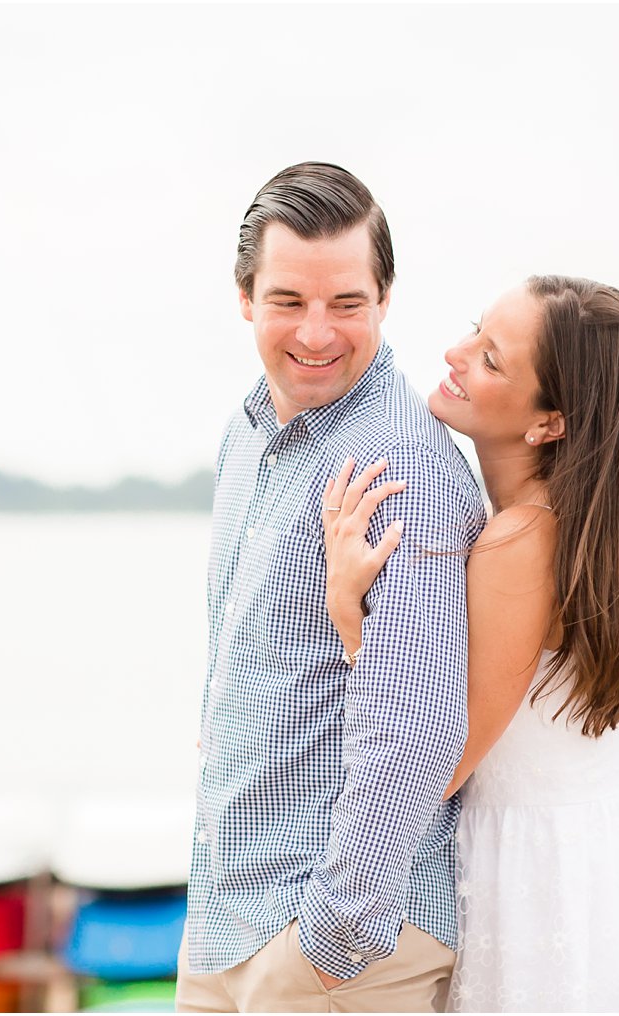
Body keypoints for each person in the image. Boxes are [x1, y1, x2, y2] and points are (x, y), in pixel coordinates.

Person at [321, 276, 619, 1012]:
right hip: (607, 872)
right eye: (476, 331)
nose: (455, 353)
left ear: (549, 423)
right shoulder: (576, 530)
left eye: (492, 359)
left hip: (534, 887)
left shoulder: (519, 540)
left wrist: (351, 619)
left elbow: (440, 761)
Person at [177, 162, 488, 1013]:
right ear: (245, 296)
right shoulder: (245, 437)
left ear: (385, 298)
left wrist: (325, 944)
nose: (317, 332)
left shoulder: (403, 465)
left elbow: (420, 728)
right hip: (222, 919)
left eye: (346, 303)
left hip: (332, 952)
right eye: (288, 301)